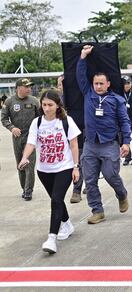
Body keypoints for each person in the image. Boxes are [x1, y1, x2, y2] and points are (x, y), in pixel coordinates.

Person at [17, 89, 81, 254]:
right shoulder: (37, 123)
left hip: (64, 167)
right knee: (56, 200)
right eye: (44, 105)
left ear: (58, 105)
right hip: (44, 170)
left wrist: (76, 166)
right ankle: (67, 224)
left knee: (56, 200)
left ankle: (51, 238)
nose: (46, 108)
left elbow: (74, 145)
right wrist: (25, 157)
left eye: (50, 105)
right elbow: (31, 143)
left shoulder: (66, 121)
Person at [76, 45, 131, 224]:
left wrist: (126, 142)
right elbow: (80, 76)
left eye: (101, 83)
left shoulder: (117, 100)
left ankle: (122, 194)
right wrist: (83, 56)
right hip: (91, 144)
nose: (98, 86)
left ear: (108, 84)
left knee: (111, 175)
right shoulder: (88, 94)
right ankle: (97, 210)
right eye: (96, 83)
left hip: (109, 144)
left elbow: (124, 122)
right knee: (90, 180)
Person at [1, 78, 40, 201]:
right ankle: (24, 188)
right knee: (20, 164)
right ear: (18, 88)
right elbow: (4, 119)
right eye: (26, 86)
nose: (29, 89)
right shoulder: (9, 102)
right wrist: (12, 128)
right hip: (17, 137)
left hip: (31, 137)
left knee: (29, 164)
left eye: (30, 86)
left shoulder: (34, 101)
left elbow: (40, 119)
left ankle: (29, 190)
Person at [56, 74, 85, 204]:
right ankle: (80, 188)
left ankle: (77, 190)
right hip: (67, 136)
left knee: (81, 162)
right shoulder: (58, 101)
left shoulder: (80, 97)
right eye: (59, 84)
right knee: (75, 163)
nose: (60, 87)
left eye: (62, 84)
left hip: (82, 133)